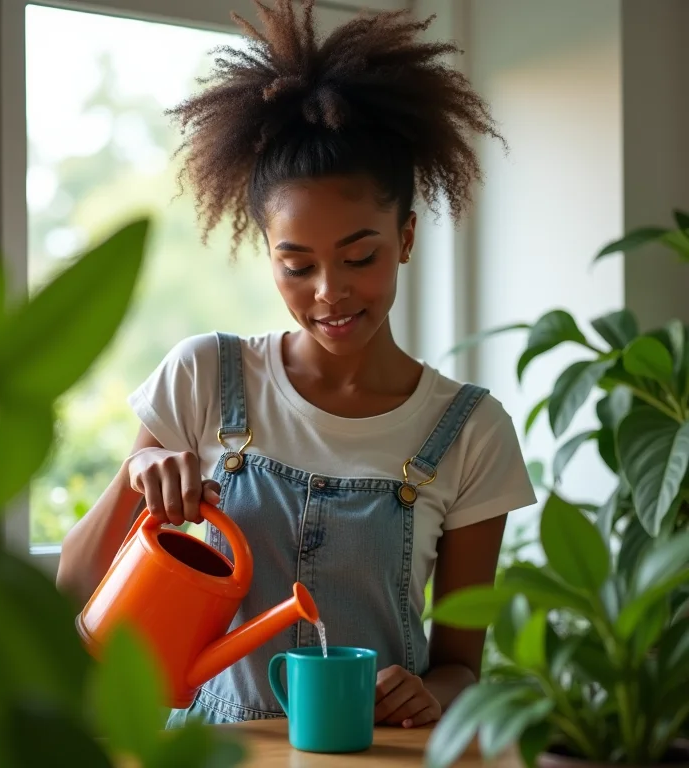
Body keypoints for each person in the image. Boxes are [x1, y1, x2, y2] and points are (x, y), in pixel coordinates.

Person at [57, 0, 536, 730]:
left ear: (406, 237)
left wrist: (431, 693)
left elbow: (462, 668)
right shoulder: (203, 378)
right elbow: (76, 587)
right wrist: (133, 481)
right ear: (267, 253)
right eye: (297, 265)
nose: (329, 293)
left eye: (360, 256)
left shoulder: (470, 432)